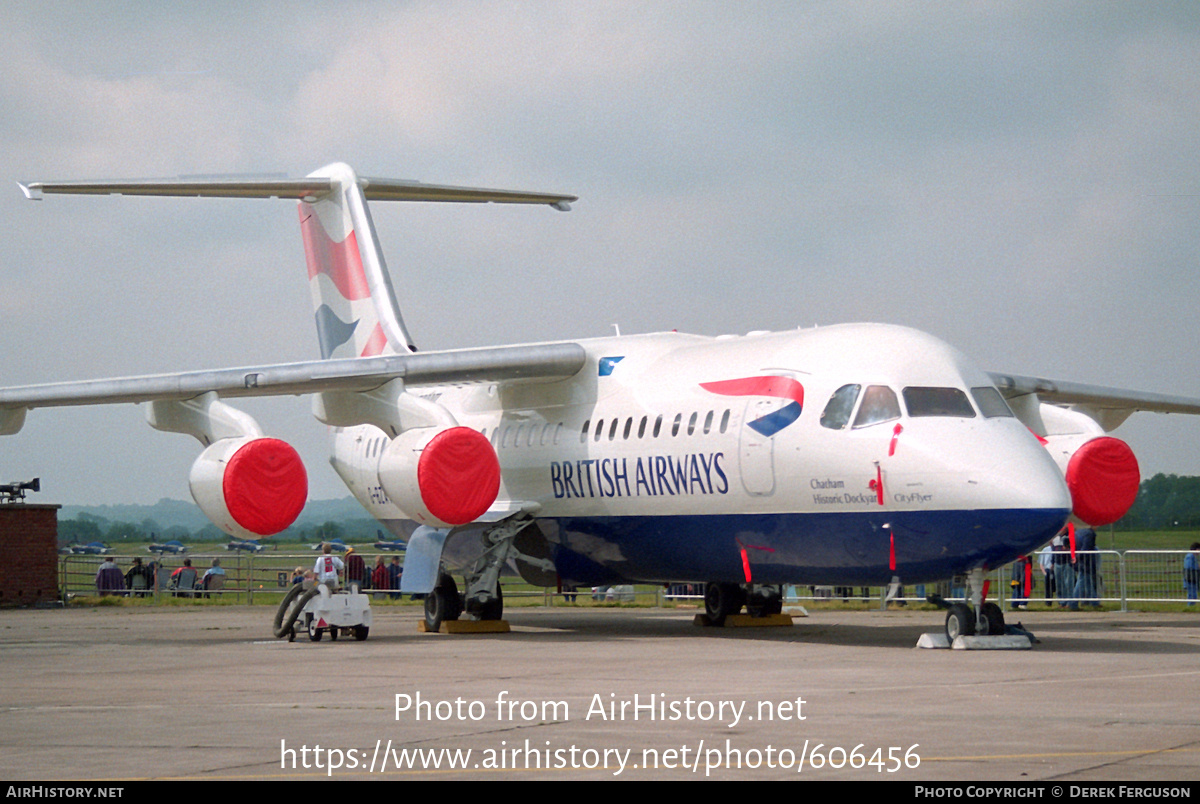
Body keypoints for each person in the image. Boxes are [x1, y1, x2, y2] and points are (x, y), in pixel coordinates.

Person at [1071, 527, 1100, 608]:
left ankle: (1095, 602)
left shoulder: (1077, 532)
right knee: (1081, 581)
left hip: (1080, 560)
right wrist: (1080, 557)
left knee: (1087, 582)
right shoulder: (1089, 534)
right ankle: (1073, 603)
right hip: (1086, 561)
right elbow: (1086, 548)